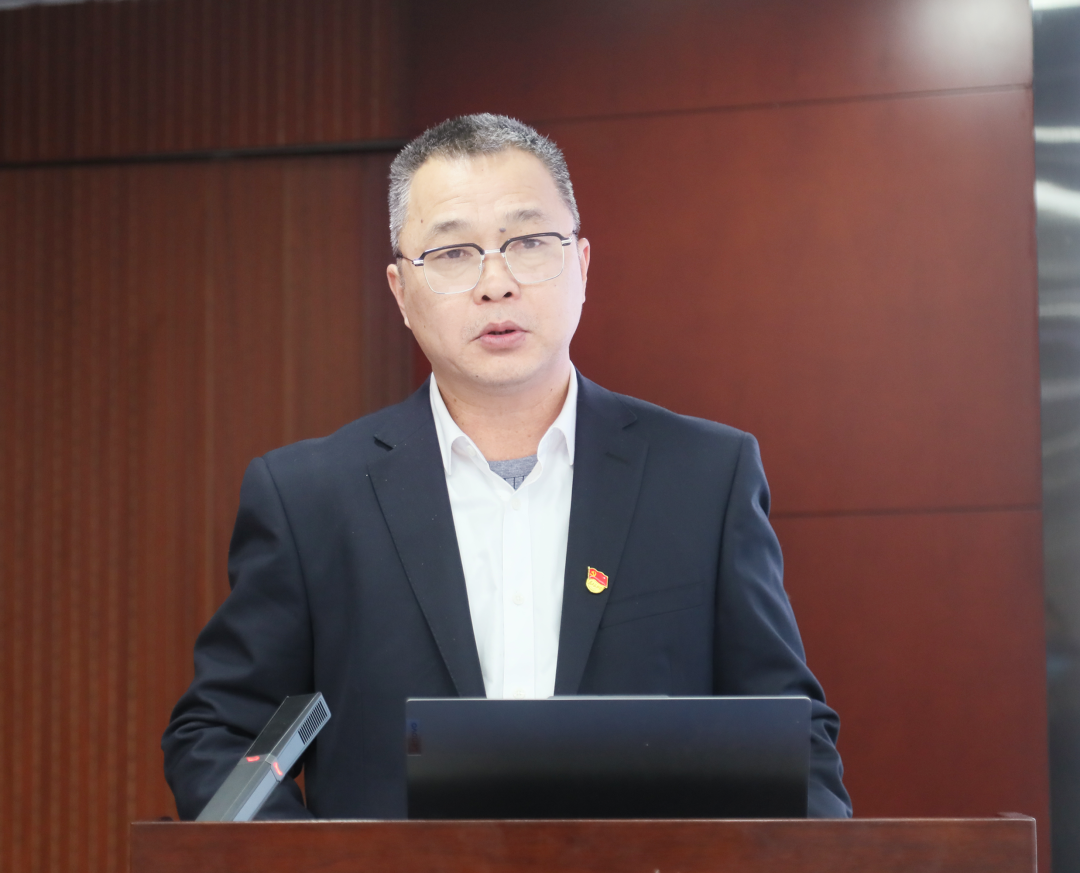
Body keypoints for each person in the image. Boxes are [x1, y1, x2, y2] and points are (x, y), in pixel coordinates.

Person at [162, 113, 852, 819]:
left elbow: (792, 744)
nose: (496, 283)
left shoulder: (704, 478)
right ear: (401, 292)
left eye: (527, 243)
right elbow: (222, 738)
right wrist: (324, 865)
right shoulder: (310, 499)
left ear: (582, 266)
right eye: (453, 252)